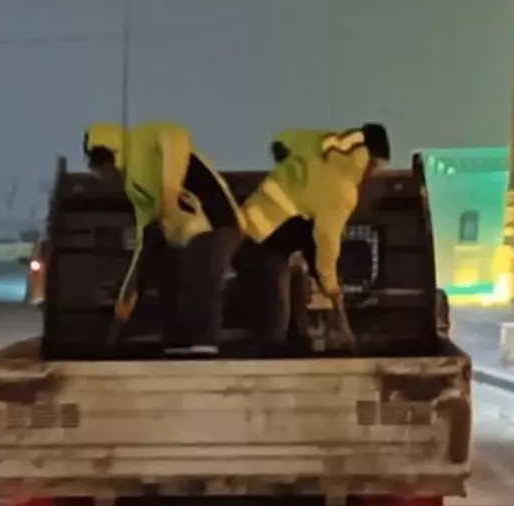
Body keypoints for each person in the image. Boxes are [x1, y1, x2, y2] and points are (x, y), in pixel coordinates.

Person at [83, 122, 242, 355]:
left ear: (112, 155)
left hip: (218, 222)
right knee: (170, 279)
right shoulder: (135, 189)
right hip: (186, 233)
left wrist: (170, 190)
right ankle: (177, 345)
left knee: (201, 276)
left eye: (104, 172)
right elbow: (143, 242)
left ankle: (204, 344)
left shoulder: (142, 140)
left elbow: (176, 136)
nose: (105, 180)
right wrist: (128, 293)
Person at [236, 124, 391, 352]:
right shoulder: (342, 189)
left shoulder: (318, 147)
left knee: (288, 304)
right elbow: (326, 242)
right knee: (275, 318)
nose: (373, 174)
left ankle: (290, 351)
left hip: (244, 231)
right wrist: (331, 287)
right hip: (261, 242)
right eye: (376, 167)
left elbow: (282, 140)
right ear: (368, 158)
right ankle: (270, 372)